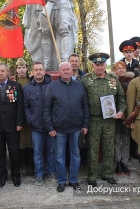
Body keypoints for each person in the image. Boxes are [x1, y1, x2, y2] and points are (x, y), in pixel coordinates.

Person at [44, 62, 90, 192]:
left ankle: (74, 180)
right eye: (63, 70)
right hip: (59, 129)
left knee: (76, 155)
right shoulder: (52, 87)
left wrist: (85, 124)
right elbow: (46, 109)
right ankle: (62, 181)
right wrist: (50, 128)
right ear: (59, 72)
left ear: (72, 71)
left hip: (76, 127)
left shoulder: (80, 86)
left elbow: (85, 106)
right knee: (59, 156)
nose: (66, 72)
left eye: (68, 69)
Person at [81, 53, 125, 186]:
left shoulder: (113, 79)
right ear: (92, 65)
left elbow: (121, 98)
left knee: (108, 147)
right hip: (93, 120)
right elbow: (80, 101)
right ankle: (92, 176)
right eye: (96, 65)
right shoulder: (86, 80)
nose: (99, 67)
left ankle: (107, 173)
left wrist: (121, 111)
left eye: (102, 64)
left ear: (106, 65)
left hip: (110, 120)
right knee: (93, 149)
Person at [0, 63, 25, 188]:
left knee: (14, 152)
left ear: (7, 72)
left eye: (3, 71)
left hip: (13, 125)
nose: (0, 73)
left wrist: (19, 123)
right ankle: (2, 176)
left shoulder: (16, 86)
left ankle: (15, 175)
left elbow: (20, 106)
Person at [23, 62, 56, 186]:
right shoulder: (27, 88)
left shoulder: (53, 85)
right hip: (36, 126)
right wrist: (30, 119)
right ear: (32, 72)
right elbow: (25, 106)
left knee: (51, 151)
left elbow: (57, 104)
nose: (38, 72)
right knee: (37, 152)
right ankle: (39, 174)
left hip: (51, 126)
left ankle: (51, 171)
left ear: (44, 71)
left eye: (40, 69)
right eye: (36, 69)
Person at [112, 61, 135, 176]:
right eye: (118, 68)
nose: (121, 70)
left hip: (128, 115)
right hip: (115, 115)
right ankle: (117, 162)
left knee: (126, 140)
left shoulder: (131, 81)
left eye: (123, 68)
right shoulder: (111, 81)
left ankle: (125, 162)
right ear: (115, 70)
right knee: (116, 140)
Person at [13, 58, 34, 177]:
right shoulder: (13, 82)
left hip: (30, 113)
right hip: (18, 115)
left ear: (26, 69)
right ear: (16, 70)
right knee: (21, 141)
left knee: (30, 140)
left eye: (23, 67)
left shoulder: (31, 81)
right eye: (19, 68)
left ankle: (30, 164)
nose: (21, 70)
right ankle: (23, 165)